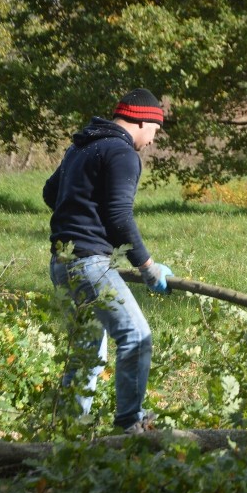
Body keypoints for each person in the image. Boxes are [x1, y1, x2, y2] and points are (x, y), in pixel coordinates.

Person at [43, 88, 173, 433]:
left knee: (88, 352)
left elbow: (49, 193)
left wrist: (78, 218)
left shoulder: (82, 146)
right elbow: (118, 217)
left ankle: (67, 432)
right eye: (155, 131)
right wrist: (147, 267)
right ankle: (130, 423)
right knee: (136, 335)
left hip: (62, 261)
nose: (152, 140)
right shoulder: (121, 152)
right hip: (89, 263)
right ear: (143, 120)